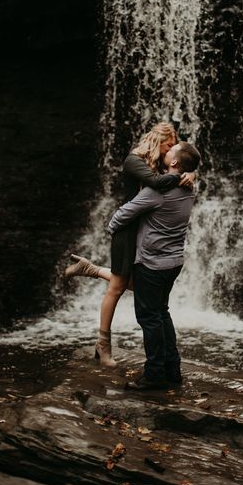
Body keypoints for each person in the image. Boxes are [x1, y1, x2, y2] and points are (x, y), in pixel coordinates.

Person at [64, 123, 195, 367]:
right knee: (118, 287)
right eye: (169, 145)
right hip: (127, 229)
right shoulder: (134, 161)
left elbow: (181, 164)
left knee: (136, 284)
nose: (171, 150)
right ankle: (103, 346)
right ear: (158, 141)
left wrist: (192, 172)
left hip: (147, 229)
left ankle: (89, 269)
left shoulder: (160, 162)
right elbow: (157, 183)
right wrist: (183, 175)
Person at [107, 141, 201, 390]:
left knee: (149, 319)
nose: (166, 150)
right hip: (174, 262)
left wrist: (112, 230)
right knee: (162, 313)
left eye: (171, 150)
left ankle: (154, 374)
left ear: (173, 162)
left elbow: (122, 216)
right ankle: (173, 369)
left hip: (151, 264)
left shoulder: (155, 192)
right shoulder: (189, 187)